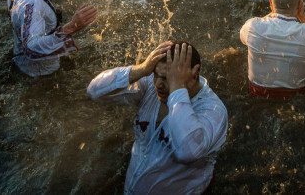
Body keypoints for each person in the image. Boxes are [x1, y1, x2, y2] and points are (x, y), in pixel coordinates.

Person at [87, 42, 228, 194]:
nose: (158, 85)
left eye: (168, 78)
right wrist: (141, 69)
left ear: (194, 75)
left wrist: (177, 88)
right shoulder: (150, 86)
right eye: (156, 75)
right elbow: (94, 91)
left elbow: (187, 151)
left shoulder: (214, 110)